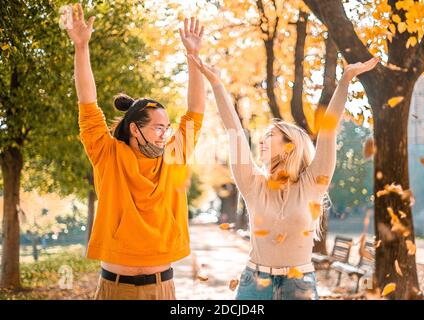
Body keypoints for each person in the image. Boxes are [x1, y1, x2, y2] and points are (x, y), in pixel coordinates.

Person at [188, 53, 379, 300]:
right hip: (254, 282)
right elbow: (234, 130)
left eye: (269, 136)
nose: (260, 140)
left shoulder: (313, 183)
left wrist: (345, 81)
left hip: (298, 284)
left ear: (290, 145)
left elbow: (328, 131)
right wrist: (216, 83)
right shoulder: (252, 182)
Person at [64, 3, 206, 300]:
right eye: (158, 127)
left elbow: (195, 111)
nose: (165, 134)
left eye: (167, 128)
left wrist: (193, 57)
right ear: (134, 128)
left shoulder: (173, 155)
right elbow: (88, 103)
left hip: (161, 288)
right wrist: (81, 47)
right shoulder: (107, 153)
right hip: (115, 288)